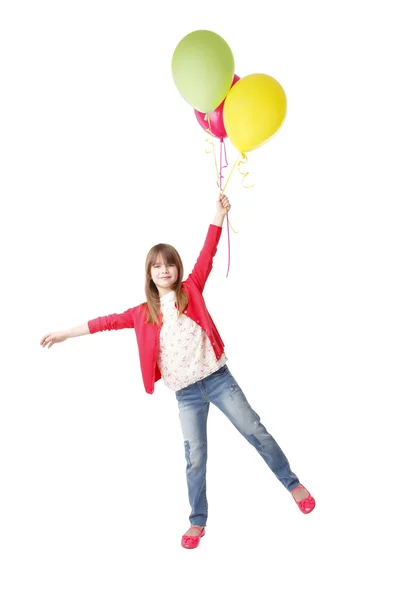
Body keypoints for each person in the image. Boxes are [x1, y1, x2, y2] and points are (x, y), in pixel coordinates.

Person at [40, 192, 315, 550]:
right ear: (149, 274)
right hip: (186, 394)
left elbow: (208, 253)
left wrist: (217, 215)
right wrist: (65, 333)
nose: (164, 270)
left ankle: (292, 483)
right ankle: (197, 520)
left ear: (177, 269)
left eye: (169, 264)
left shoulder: (192, 290)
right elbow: (105, 322)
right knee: (195, 457)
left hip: (218, 380)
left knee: (255, 431)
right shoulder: (143, 312)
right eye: (157, 266)